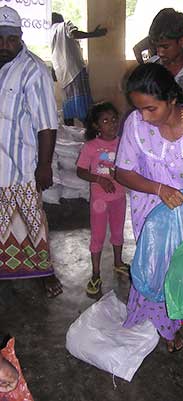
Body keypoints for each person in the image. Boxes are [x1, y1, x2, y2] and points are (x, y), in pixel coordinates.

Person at [115, 62, 183, 353]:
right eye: (138, 108)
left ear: (172, 99)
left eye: (151, 108)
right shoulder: (136, 125)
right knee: (157, 270)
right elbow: (123, 172)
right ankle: (166, 329)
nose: (143, 116)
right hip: (152, 217)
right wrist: (159, 189)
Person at [0, 6, 62, 298]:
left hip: (21, 165)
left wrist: (44, 165)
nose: (4, 45)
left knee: (31, 219)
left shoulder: (33, 69)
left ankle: (44, 271)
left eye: (10, 38)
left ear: (20, 36)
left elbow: (47, 123)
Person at [76, 102, 129, 296]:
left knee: (118, 232)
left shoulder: (124, 143)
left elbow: (128, 167)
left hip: (119, 198)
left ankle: (118, 262)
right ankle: (96, 274)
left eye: (114, 119)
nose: (112, 124)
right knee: (98, 236)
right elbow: (80, 171)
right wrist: (99, 179)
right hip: (100, 201)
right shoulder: (91, 147)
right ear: (97, 126)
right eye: (105, 121)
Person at [50, 12, 107, 126]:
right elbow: (74, 33)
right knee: (84, 108)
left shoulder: (50, 33)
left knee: (68, 109)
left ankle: (69, 136)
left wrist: (53, 71)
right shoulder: (65, 25)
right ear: (61, 19)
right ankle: (90, 134)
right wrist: (94, 34)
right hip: (74, 71)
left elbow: (55, 54)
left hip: (63, 75)